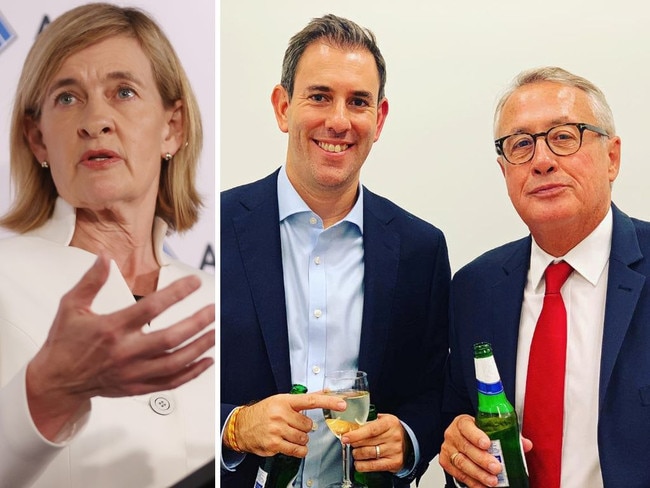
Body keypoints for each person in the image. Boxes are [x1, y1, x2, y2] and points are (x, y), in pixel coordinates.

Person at [221, 13, 450, 488]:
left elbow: (434, 391)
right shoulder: (208, 229)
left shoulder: (421, 249)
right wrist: (235, 426)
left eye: (359, 102)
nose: (339, 121)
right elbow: (159, 389)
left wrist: (407, 437)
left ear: (379, 119)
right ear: (283, 107)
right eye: (320, 96)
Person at [0, 4, 215, 487]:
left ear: (172, 127)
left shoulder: (224, 298)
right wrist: (44, 395)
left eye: (123, 92)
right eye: (67, 98)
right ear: (38, 140)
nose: (95, 119)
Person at [439, 65, 650, 488]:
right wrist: (460, 453)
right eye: (521, 145)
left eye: (563, 137)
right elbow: (458, 420)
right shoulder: (474, 288)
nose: (541, 161)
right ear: (505, 173)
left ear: (612, 157)